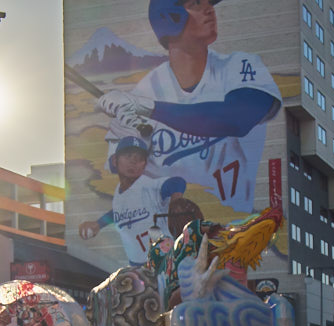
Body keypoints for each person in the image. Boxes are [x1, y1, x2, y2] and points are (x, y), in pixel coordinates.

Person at [99, 0, 282, 214]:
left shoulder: (239, 65)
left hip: (232, 231)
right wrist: (129, 140)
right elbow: (117, 170)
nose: (209, 9)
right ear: (168, 16)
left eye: (209, 2)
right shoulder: (143, 92)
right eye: (195, 3)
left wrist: (149, 108)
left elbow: (238, 118)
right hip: (169, 239)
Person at [79, 137, 187, 265]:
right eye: (128, 155)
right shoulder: (119, 192)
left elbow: (177, 182)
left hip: (164, 262)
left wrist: (176, 200)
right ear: (115, 160)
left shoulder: (148, 186)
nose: (133, 162)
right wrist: (98, 224)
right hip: (137, 266)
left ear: (144, 165)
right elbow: (118, 212)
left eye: (139, 158)